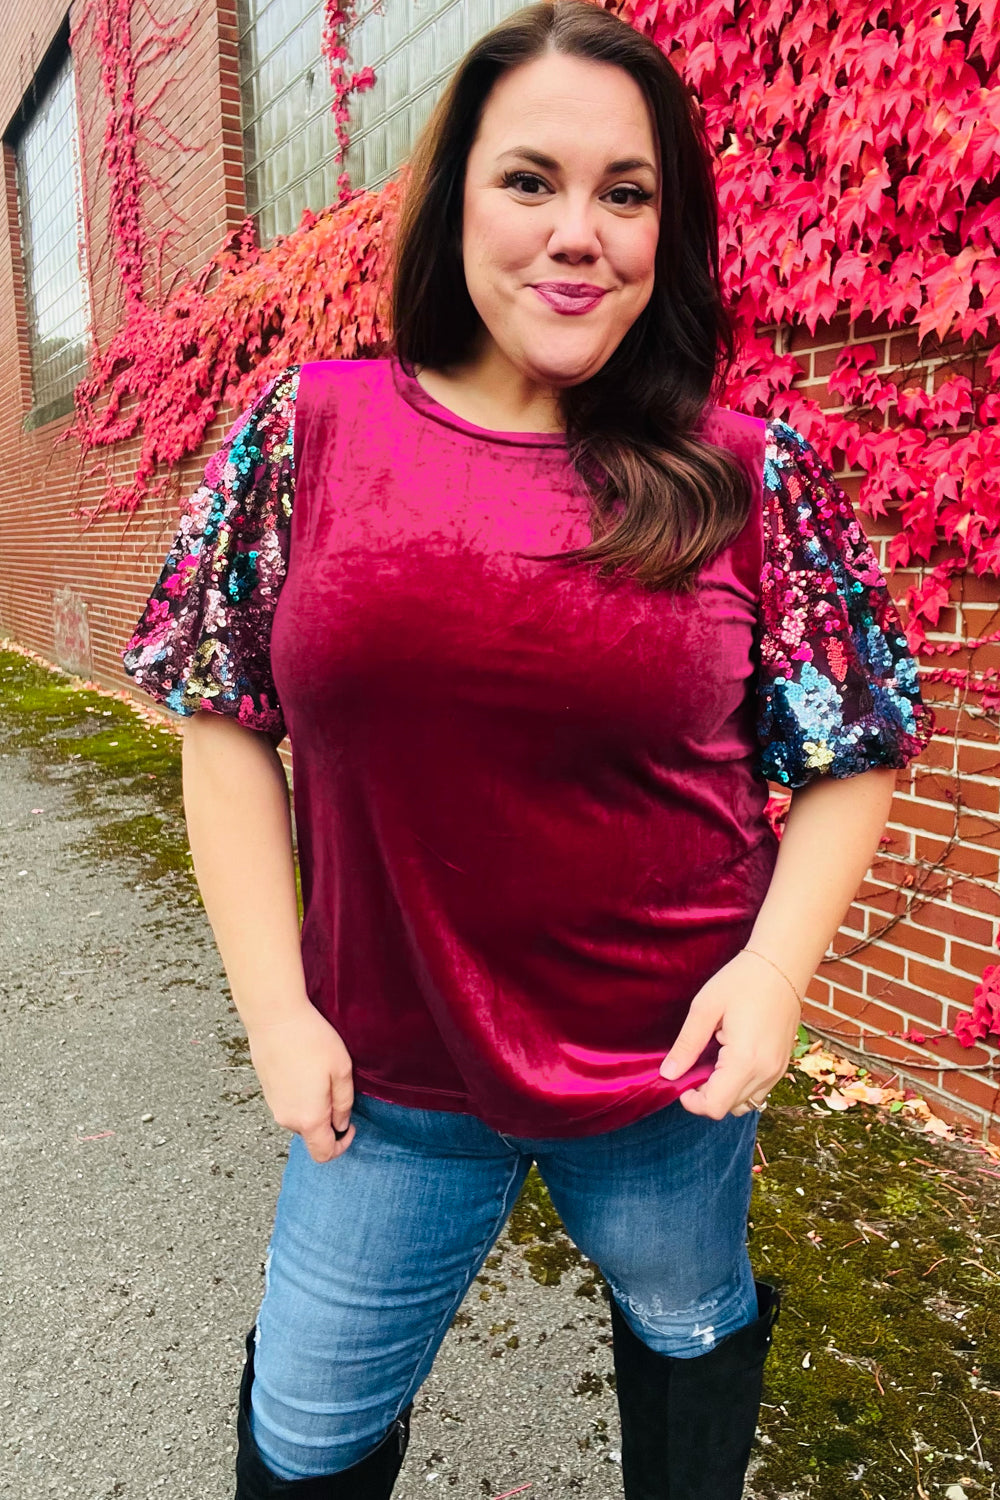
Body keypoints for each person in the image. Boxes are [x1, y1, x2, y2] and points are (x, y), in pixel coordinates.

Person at [121, 3, 933, 1496]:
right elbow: (220, 716)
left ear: (667, 229)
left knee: (689, 1328)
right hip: (386, 1081)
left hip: (668, 1071)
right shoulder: (306, 432)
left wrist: (772, 977)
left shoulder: (749, 471)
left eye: (626, 192)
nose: (578, 234)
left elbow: (854, 743)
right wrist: (277, 1016)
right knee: (304, 1431)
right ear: (457, 201)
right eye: (529, 181)